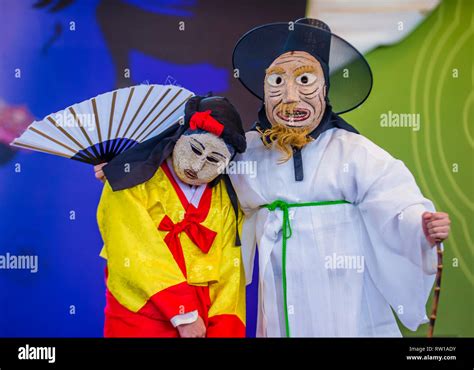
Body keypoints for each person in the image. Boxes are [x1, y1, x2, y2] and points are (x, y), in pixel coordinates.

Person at [229, 18, 451, 337]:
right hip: (277, 281)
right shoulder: (249, 152)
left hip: (345, 285)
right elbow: (220, 204)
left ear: (324, 88)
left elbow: (393, 201)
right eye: (277, 81)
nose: (290, 97)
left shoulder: (353, 152)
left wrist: (421, 227)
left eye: (304, 80)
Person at [96, 95, 247, 337]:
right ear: (179, 137)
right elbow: (131, 246)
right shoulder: (132, 178)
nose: (197, 167)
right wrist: (183, 312)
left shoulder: (225, 198)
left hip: (202, 324)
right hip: (139, 313)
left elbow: (230, 271)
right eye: (195, 149)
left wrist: (225, 328)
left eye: (213, 159)